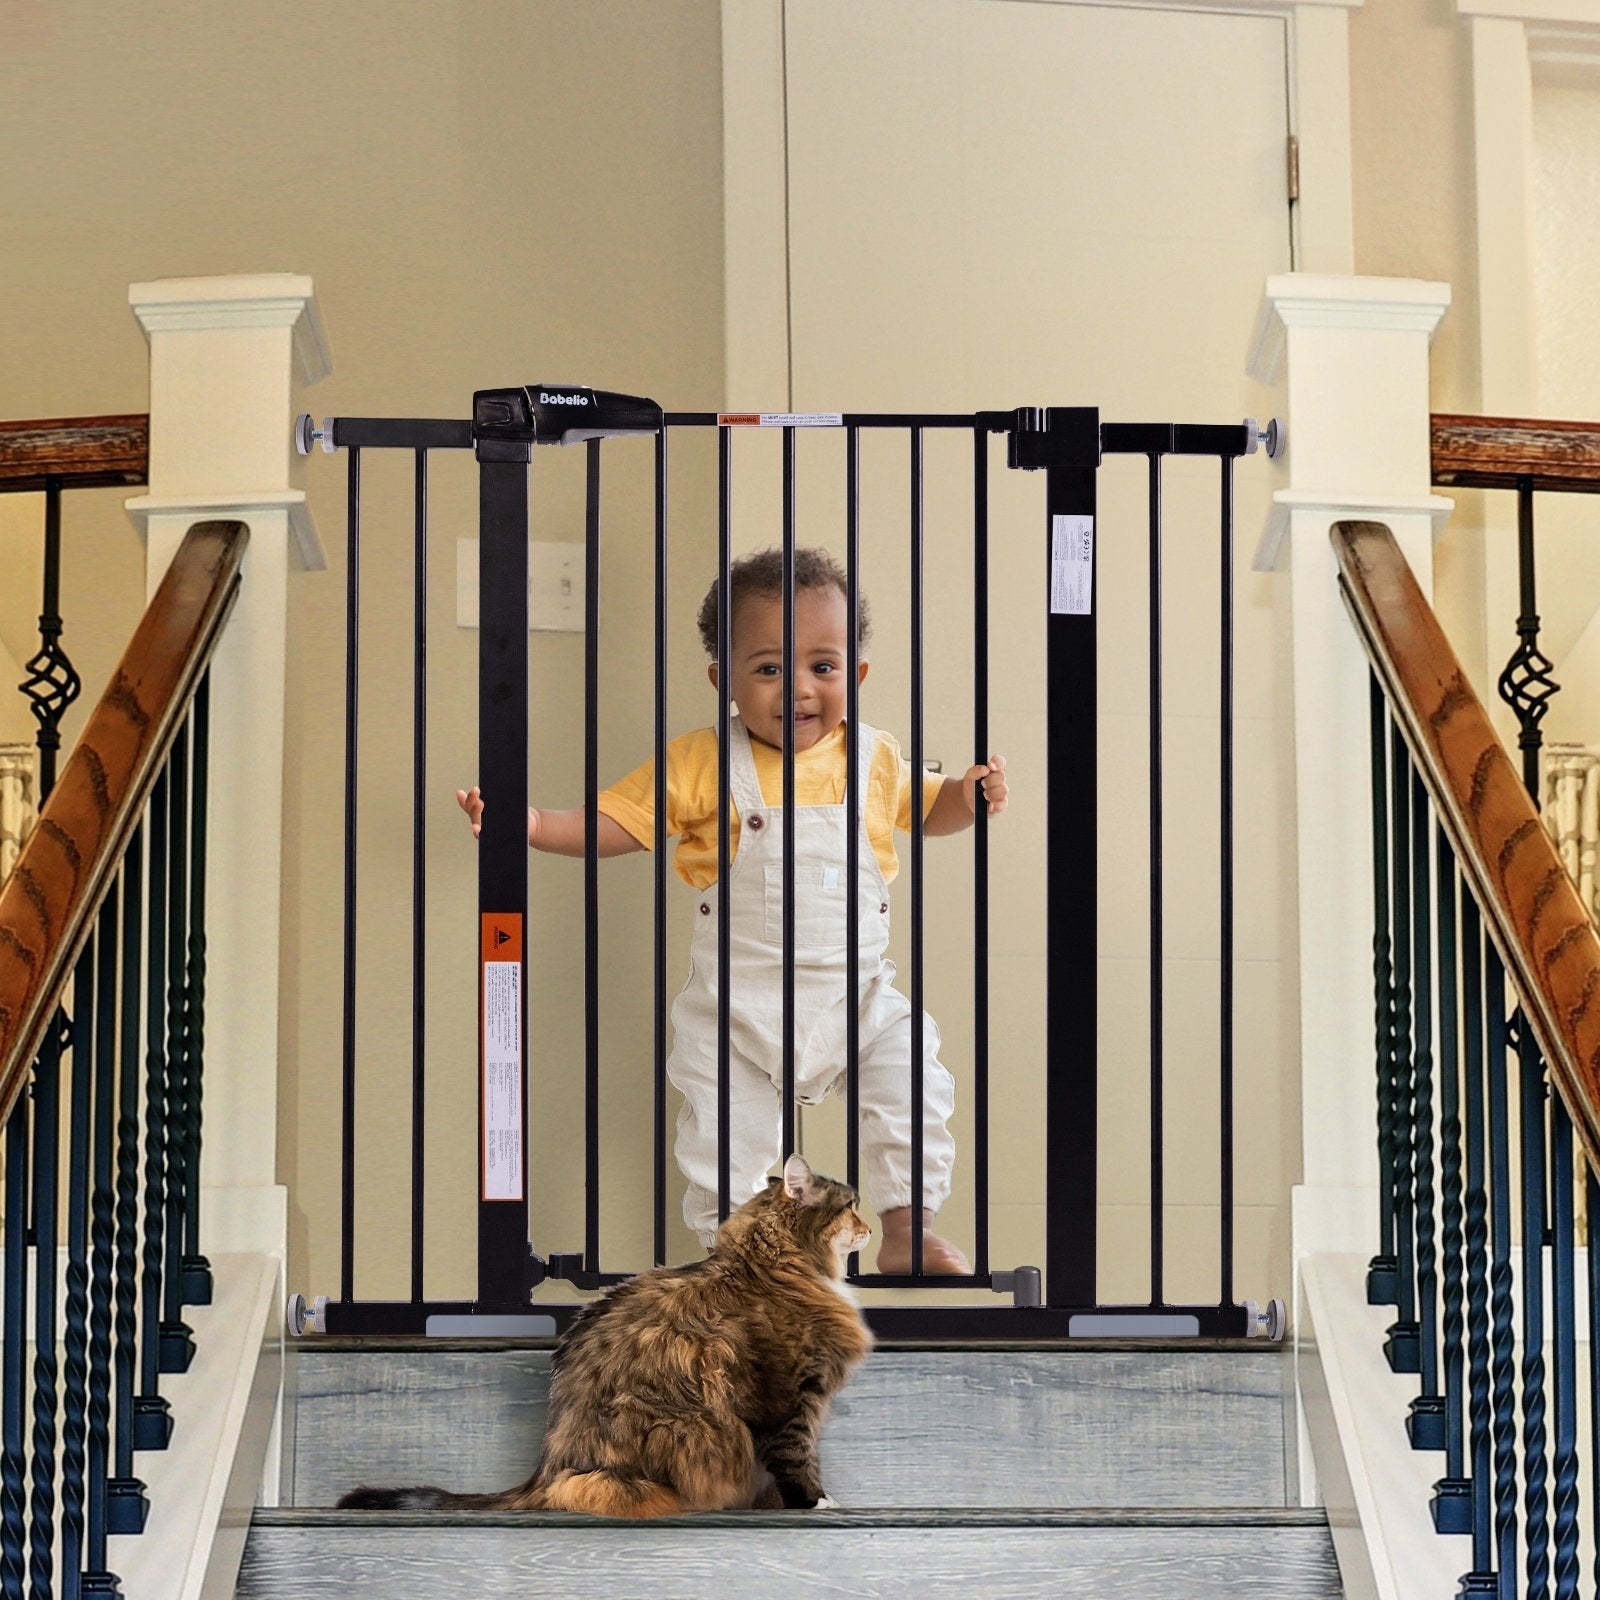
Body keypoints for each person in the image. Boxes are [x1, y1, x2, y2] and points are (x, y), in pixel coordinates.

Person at [457, 546, 1008, 1275]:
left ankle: (908, 1227)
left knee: (912, 1078)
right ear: (724, 680)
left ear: (856, 675)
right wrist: (530, 825)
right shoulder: (703, 760)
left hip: (855, 999)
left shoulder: (875, 758)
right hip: (736, 1009)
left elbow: (931, 809)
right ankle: (743, 1255)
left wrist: (969, 795)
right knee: (722, 1135)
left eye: (823, 667)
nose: (799, 689)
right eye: (769, 668)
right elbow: (619, 823)